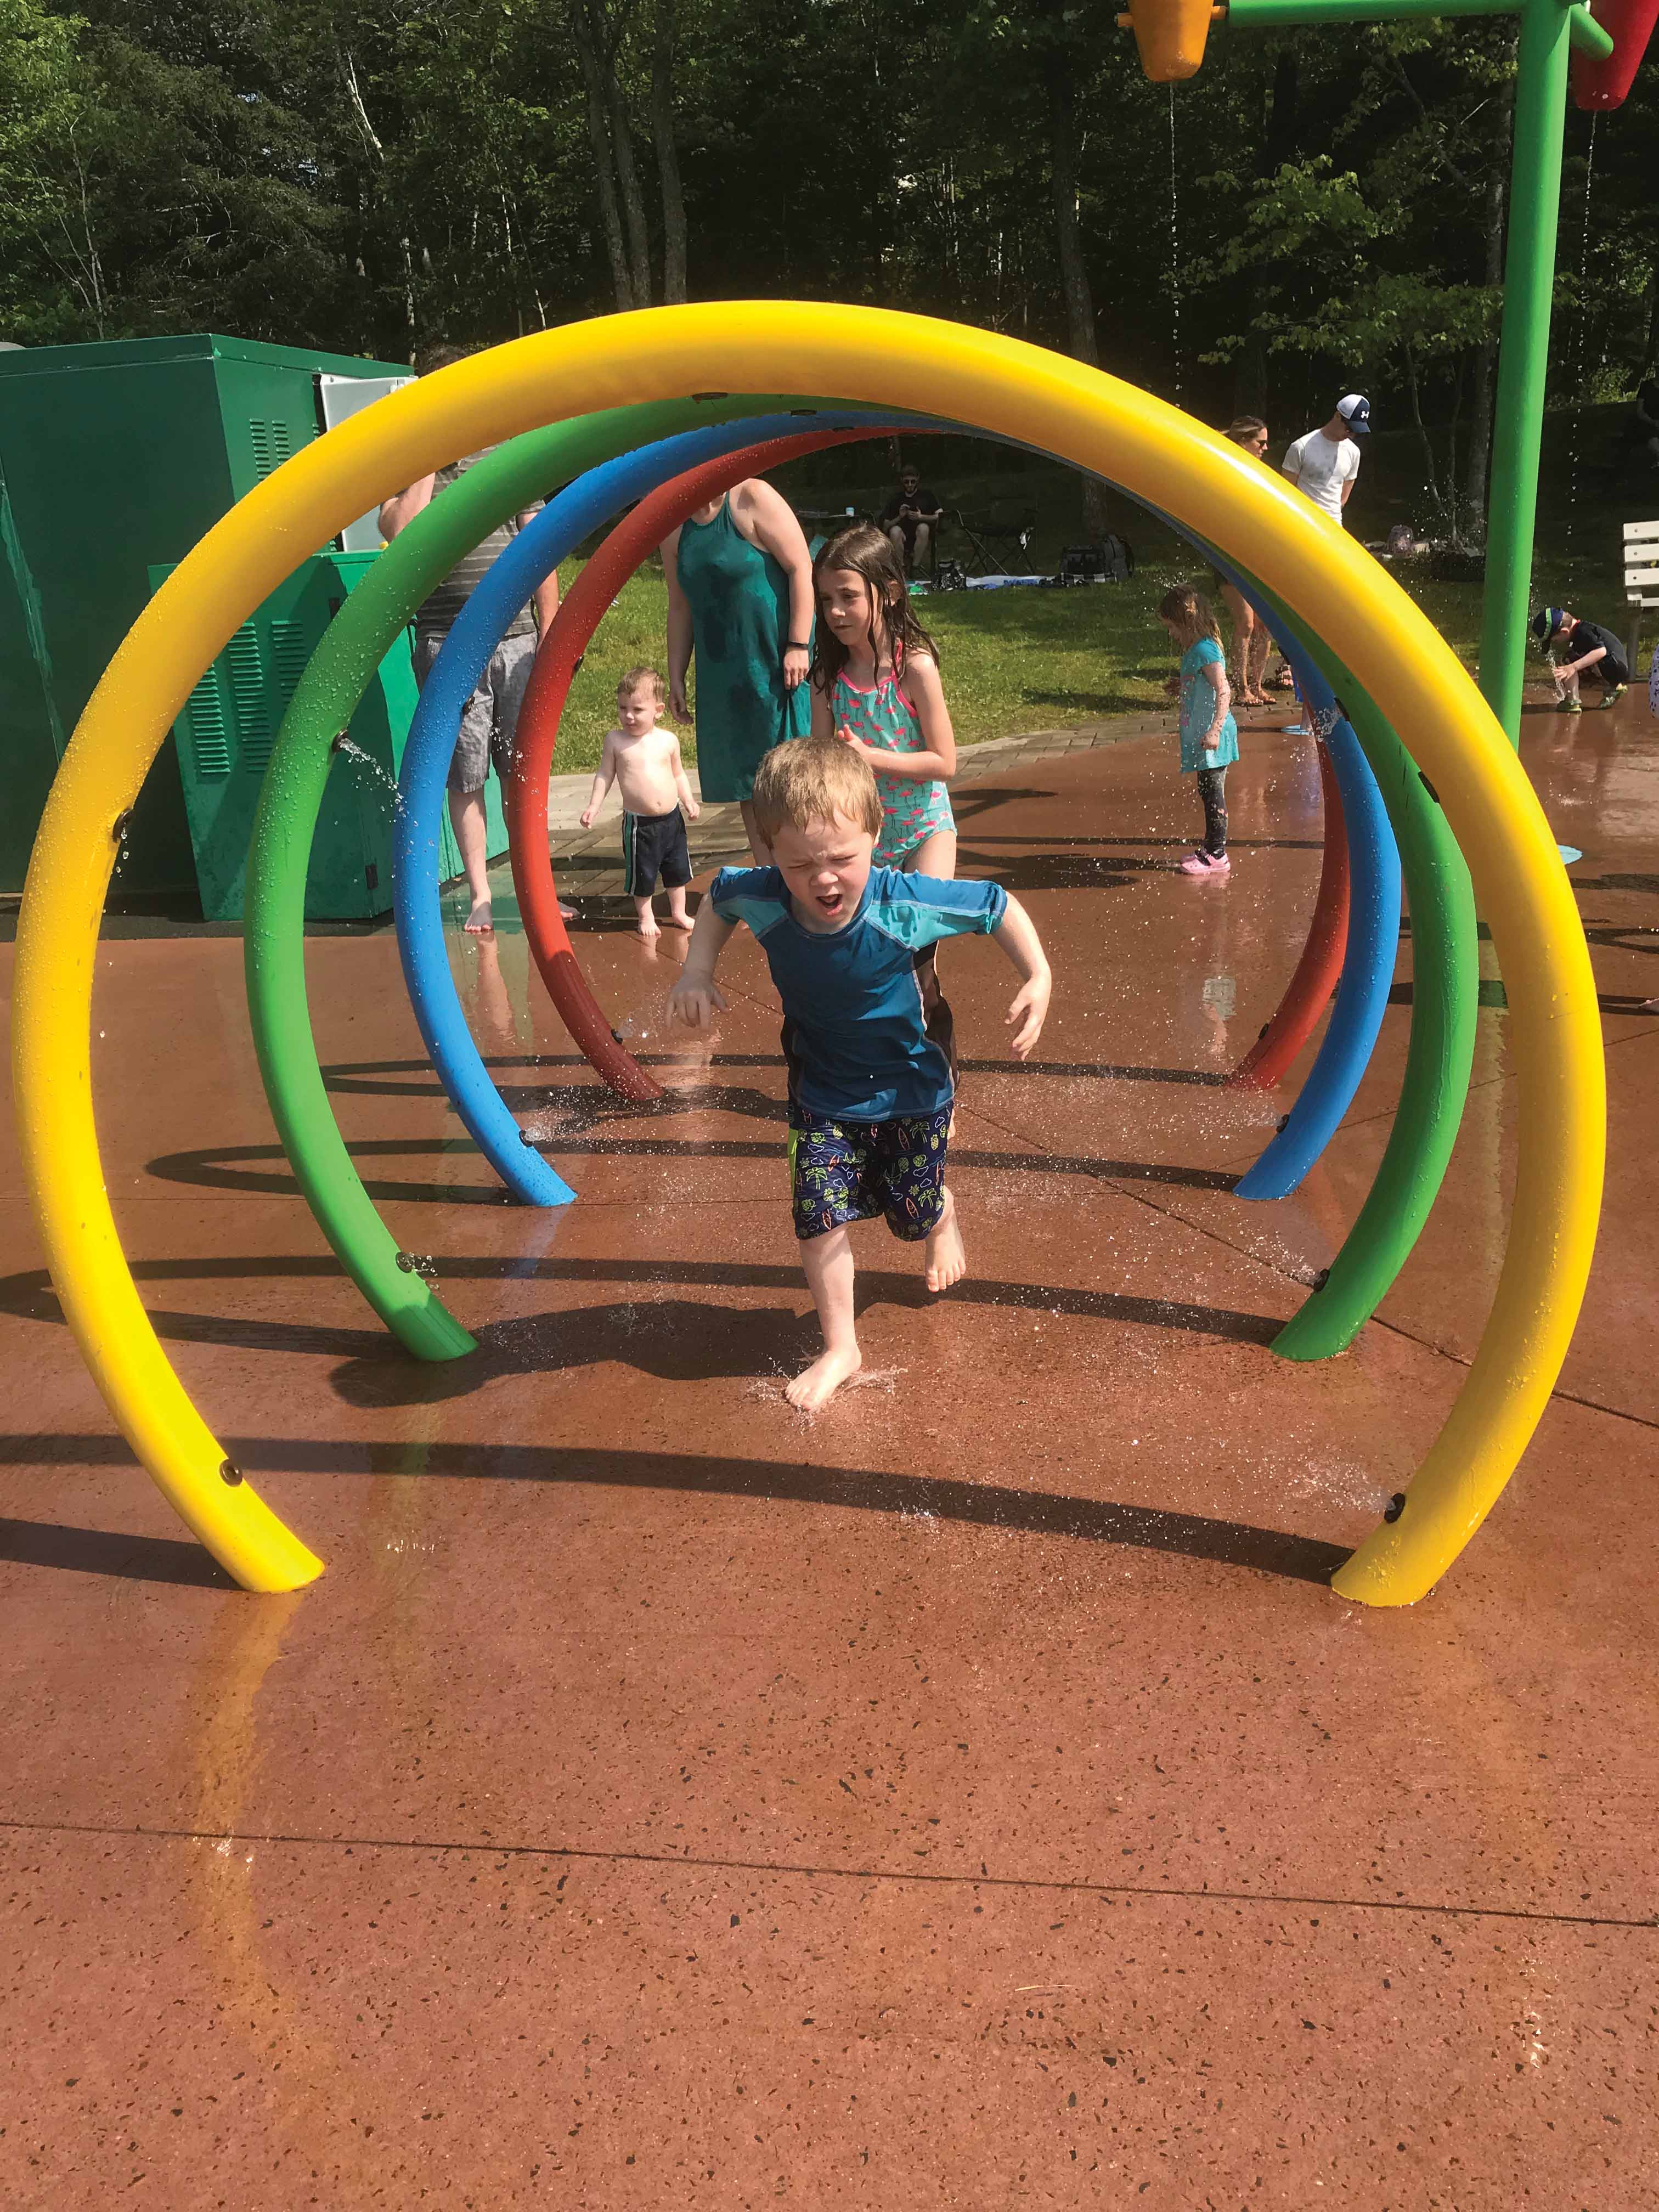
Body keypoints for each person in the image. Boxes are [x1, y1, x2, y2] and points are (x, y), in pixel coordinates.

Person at [665, 741, 1052, 1412]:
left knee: (908, 1213)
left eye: (843, 857)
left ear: (876, 836)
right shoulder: (761, 895)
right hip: (822, 1093)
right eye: (800, 864)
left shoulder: (903, 902)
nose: (823, 879)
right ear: (771, 852)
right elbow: (718, 902)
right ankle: (841, 1345)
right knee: (819, 1219)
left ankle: (939, 1213)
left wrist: (1039, 975)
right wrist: (697, 969)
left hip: (913, 1090)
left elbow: (997, 905)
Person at [378, 341, 562, 935]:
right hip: (446, 642)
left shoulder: (506, 455)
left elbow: (543, 543)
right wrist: (432, 458)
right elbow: (401, 531)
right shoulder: (408, 463)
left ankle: (538, 891)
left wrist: (554, 626)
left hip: (516, 638)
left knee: (524, 769)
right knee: (465, 773)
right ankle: (482, 894)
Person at [661, 478, 815, 864]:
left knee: (793, 772)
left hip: (774, 663)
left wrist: (798, 644)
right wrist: (676, 675)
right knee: (749, 779)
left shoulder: (751, 497)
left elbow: (800, 568)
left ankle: (813, 866)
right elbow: (679, 606)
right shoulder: (674, 526)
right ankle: (770, 874)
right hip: (722, 673)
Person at [809, 522, 956, 876]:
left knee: (919, 921)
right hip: (861, 838)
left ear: (890, 593)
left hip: (926, 829)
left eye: (849, 596)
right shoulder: (828, 678)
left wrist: (868, 757)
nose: (835, 612)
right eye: (827, 599)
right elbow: (821, 762)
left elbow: (944, 763)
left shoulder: (914, 669)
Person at [579, 666, 701, 939]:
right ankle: (645, 916)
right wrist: (594, 806)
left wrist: (689, 801)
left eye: (637, 710)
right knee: (642, 873)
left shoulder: (668, 740)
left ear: (658, 710)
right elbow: (605, 775)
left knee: (677, 869)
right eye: (623, 708)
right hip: (640, 825)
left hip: (672, 819)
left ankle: (679, 912)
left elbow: (679, 774)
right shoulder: (616, 741)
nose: (629, 716)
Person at [1159, 585, 1239, 878]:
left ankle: (1217, 854)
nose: (1171, 634)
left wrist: (1216, 730)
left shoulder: (1205, 649)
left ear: (1186, 622)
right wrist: (1181, 685)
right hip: (1204, 737)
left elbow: (1224, 690)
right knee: (1207, 791)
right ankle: (1210, 849)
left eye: (1171, 627)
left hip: (1213, 738)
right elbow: (1202, 684)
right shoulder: (1197, 650)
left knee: (1212, 793)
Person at [1216, 417, 1273, 706]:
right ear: (1242, 443)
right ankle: (1242, 689)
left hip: (1257, 556)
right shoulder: (1223, 470)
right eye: (1260, 442)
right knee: (1246, 624)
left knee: (1266, 625)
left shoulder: (1259, 473)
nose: (1266, 447)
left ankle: (1258, 685)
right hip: (1229, 557)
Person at [1282, 394, 1370, 527]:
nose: (1351, 435)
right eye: (1349, 429)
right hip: (1301, 523)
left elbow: (1344, 496)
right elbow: (1286, 490)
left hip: (1334, 526)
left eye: (1356, 432)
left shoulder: (1354, 452)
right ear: (1337, 416)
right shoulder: (1301, 447)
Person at [1531, 606, 1630, 712]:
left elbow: (1601, 652)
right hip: (1616, 666)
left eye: (1555, 641)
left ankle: (1573, 701)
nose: (1556, 643)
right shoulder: (1580, 630)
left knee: (1568, 661)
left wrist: (1573, 667)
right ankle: (1615, 686)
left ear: (1564, 632)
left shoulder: (1584, 632)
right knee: (1574, 661)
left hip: (1613, 665)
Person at [881, 462, 945, 576]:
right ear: (902, 481)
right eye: (907, 482)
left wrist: (921, 517)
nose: (910, 485)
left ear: (918, 479)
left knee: (923, 527)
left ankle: (915, 568)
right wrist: (899, 517)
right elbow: (885, 526)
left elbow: (941, 516)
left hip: (921, 536)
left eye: (913, 482)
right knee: (895, 531)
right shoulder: (896, 499)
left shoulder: (926, 496)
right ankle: (902, 569)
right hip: (901, 536)